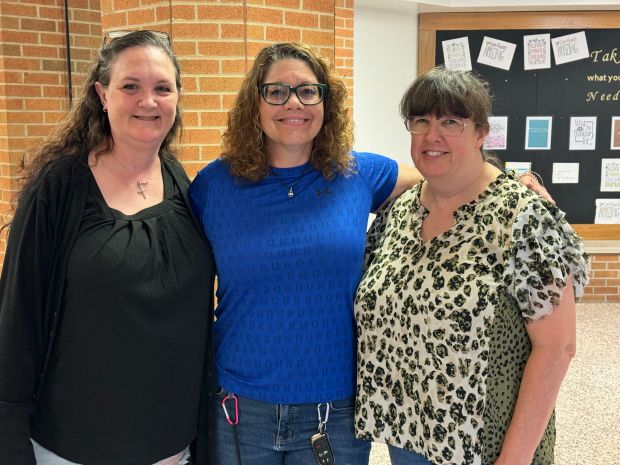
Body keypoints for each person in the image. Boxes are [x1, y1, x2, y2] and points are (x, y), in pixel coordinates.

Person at [188, 42, 423, 465]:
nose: (293, 103)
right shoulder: (214, 186)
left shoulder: (359, 174)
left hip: (335, 409)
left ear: (325, 102)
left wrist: (516, 183)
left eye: (308, 91)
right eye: (276, 92)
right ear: (254, 104)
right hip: (239, 406)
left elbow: (446, 181)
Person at [353, 66, 590, 465]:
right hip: (407, 437)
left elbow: (557, 347)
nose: (433, 135)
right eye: (421, 120)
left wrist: (512, 459)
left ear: (481, 133)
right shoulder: (398, 212)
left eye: (451, 121)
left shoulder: (523, 217)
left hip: (487, 446)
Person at [0, 30, 216, 465]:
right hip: (73, 449)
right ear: (102, 93)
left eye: (162, 88)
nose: (148, 101)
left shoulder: (180, 181)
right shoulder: (59, 188)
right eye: (130, 86)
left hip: (173, 449)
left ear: (177, 96)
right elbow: (16, 318)